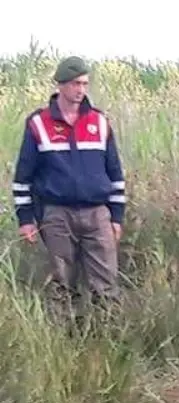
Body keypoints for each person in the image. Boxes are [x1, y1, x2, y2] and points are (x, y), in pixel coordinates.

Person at [10, 55, 127, 316]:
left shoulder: (99, 122)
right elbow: (23, 176)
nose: (80, 90)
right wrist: (25, 219)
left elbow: (115, 173)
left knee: (106, 283)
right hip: (56, 215)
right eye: (75, 84)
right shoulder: (38, 124)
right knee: (61, 283)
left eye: (85, 84)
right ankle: (64, 343)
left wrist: (116, 217)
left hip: (98, 214)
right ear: (60, 85)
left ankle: (106, 342)